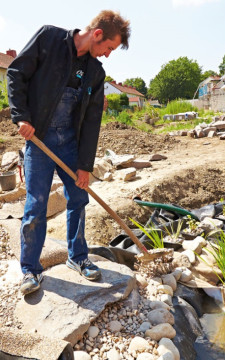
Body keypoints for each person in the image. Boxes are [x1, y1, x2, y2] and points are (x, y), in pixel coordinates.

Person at [7, 10, 131, 295]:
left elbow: (91, 122)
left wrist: (85, 165)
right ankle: (30, 270)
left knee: (78, 198)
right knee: (36, 205)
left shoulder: (95, 73)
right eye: (109, 48)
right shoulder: (49, 38)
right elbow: (15, 73)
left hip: (70, 145)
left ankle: (77, 257)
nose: (108, 55)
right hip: (38, 139)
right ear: (97, 34)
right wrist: (21, 117)